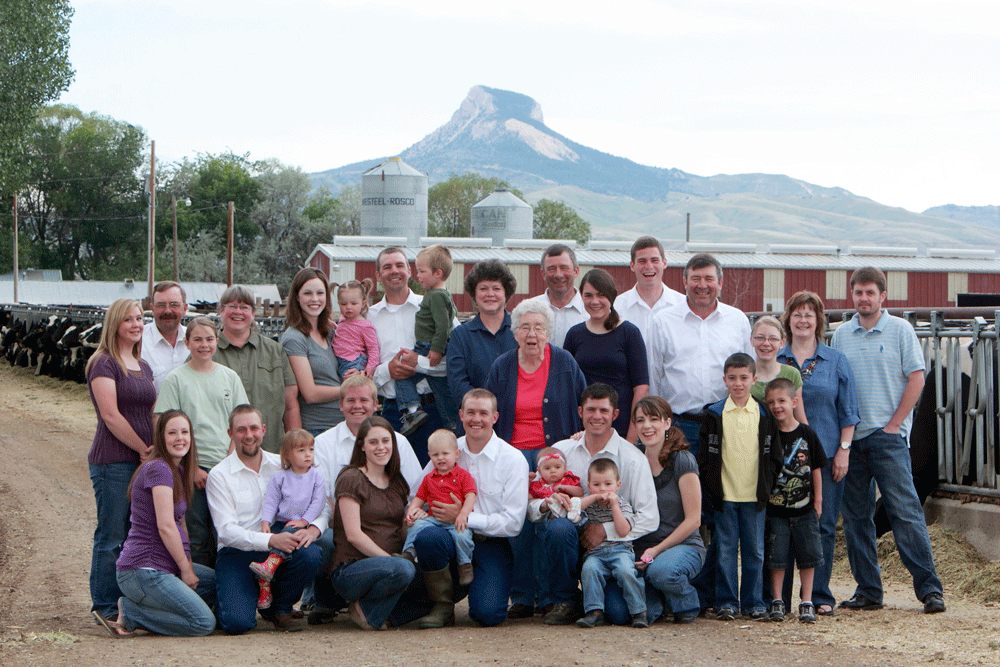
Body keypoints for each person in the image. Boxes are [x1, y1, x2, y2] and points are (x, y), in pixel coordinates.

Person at [830, 266, 945, 614]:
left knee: (905, 512)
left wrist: (896, 424)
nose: (863, 298)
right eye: (858, 292)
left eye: (870, 292)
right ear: (851, 295)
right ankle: (868, 590)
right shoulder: (841, 336)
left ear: (883, 296)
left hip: (887, 437)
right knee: (856, 518)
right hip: (851, 438)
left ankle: (929, 590)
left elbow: (916, 379)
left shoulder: (900, 330)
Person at [484, 297, 586, 620]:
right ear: (514, 333)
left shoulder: (565, 361)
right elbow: (490, 413)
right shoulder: (502, 366)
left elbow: (582, 403)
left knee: (554, 522)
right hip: (513, 457)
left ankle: (556, 596)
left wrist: (578, 438)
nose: (532, 333)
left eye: (539, 327)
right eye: (525, 327)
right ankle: (524, 596)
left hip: (553, 456)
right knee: (519, 527)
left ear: (548, 332)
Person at [392, 389, 529, 628]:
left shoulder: (512, 459)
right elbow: (418, 492)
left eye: (483, 413)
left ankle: (459, 589)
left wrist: (466, 517)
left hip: (489, 542)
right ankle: (442, 604)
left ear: (495, 417)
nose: (477, 419)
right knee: (428, 536)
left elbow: (514, 523)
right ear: (461, 415)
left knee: (488, 615)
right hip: (445, 537)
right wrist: (419, 510)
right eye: (471, 412)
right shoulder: (446, 449)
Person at [307, 373, 424, 624]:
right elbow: (319, 498)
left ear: (375, 404)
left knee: (431, 585)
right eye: (350, 400)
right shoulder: (325, 445)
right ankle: (327, 600)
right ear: (340, 405)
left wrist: (413, 517)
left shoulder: (399, 444)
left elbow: (415, 493)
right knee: (324, 540)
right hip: (340, 532)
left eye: (363, 400)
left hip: (389, 536)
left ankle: (372, 608)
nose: (357, 406)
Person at [207, 405, 326, 633]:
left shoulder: (284, 465)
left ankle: (279, 608)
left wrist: (313, 529)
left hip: (281, 548)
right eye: (241, 430)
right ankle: (239, 591)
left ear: (263, 430)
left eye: (254, 428)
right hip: (237, 553)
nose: (249, 435)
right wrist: (271, 541)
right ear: (231, 434)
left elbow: (321, 504)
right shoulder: (219, 475)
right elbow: (226, 531)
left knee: (311, 554)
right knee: (237, 624)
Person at [776, 291, 859, 616]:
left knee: (823, 525)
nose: (803, 319)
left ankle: (819, 594)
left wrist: (844, 451)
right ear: (789, 320)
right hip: (783, 459)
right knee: (781, 526)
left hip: (825, 456)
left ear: (818, 321)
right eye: (797, 313)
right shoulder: (777, 360)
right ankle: (778, 596)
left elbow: (849, 411)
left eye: (810, 314)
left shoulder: (835, 360)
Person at [100, 410, 215, 637]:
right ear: (161, 438)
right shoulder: (159, 469)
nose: (179, 438)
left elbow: (180, 524)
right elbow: (166, 526)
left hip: (165, 567)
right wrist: (186, 570)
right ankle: (132, 612)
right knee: (203, 623)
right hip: (143, 570)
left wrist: (188, 565)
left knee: (217, 582)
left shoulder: (177, 470)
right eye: (172, 433)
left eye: (184, 432)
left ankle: (162, 607)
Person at [551, 383, 658, 626]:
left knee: (618, 614)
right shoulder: (561, 451)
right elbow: (536, 499)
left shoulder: (633, 458)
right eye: (590, 410)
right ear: (580, 412)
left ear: (615, 415)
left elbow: (650, 517)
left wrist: (605, 530)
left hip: (614, 546)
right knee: (558, 529)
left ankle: (618, 603)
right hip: (571, 538)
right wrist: (550, 500)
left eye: (603, 410)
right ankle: (563, 599)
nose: (596, 416)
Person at [155, 316, 249, 568]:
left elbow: (241, 423)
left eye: (209, 339)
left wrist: (229, 462)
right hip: (190, 469)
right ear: (186, 343)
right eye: (197, 339)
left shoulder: (230, 378)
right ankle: (199, 593)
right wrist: (192, 467)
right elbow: (164, 424)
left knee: (225, 533)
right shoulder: (176, 379)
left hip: (226, 468)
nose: (204, 344)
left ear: (217, 342)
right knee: (195, 534)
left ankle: (226, 595)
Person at [86, 298, 156, 624]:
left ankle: (127, 602)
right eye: (128, 319)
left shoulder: (144, 365)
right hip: (114, 462)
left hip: (142, 463)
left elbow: (149, 412)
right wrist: (144, 448)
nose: (136, 324)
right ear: (114, 324)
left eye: (140, 318)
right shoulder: (104, 363)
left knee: (133, 534)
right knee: (111, 534)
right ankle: (104, 605)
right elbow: (111, 416)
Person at [697, 353, 782, 621]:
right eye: (732, 378)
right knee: (725, 549)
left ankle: (754, 602)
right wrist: (712, 488)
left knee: (754, 551)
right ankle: (726, 602)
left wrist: (766, 487)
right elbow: (705, 458)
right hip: (725, 495)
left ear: (754, 379)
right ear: (724, 380)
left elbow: (774, 456)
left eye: (744, 378)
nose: (738, 383)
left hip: (754, 495)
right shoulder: (714, 414)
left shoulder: (764, 414)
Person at [647, 253, 752, 451]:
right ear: (685, 282)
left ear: (720, 283)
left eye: (709, 279)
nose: (702, 285)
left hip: (727, 426)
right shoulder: (662, 322)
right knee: (680, 482)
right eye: (696, 279)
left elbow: (750, 372)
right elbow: (654, 377)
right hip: (679, 427)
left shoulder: (737, 321)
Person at [329, 416, 416, 630]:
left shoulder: (397, 481)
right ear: (362, 446)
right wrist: (393, 562)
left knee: (446, 585)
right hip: (353, 569)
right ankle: (365, 609)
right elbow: (353, 535)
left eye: (386, 441)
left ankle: (381, 611)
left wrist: (414, 523)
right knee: (404, 570)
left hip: (393, 566)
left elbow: (399, 528)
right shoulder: (352, 478)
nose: (381, 447)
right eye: (373, 442)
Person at [368, 247, 450, 465]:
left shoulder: (433, 303)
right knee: (392, 478)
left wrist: (419, 364)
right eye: (387, 267)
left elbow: (456, 360)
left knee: (435, 476)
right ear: (378, 275)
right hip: (392, 411)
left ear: (410, 271)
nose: (394, 271)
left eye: (399, 265)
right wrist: (388, 370)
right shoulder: (370, 317)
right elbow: (363, 371)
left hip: (432, 407)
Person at [630, 396, 705, 625]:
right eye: (640, 420)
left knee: (662, 572)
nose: (647, 426)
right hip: (641, 551)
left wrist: (656, 550)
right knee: (619, 612)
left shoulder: (683, 459)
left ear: (667, 423)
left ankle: (687, 604)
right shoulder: (631, 458)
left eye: (654, 419)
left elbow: (693, 520)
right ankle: (657, 602)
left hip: (682, 546)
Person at [763, 378, 827, 624]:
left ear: (794, 402)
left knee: (808, 556)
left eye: (782, 401)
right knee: (777, 557)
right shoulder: (768, 435)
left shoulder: (807, 433)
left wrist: (818, 500)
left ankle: (807, 600)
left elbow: (817, 468)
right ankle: (777, 600)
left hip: (805, 509)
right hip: (777, 510)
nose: (777, 406)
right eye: (771, 402)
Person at [564, 268, 649, 441]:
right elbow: (566, 386)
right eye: (588, 295)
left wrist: (632, 438)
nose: (594, 301)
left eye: (601, 295)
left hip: (621, 428)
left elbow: (641, 388)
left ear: (611, 296)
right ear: (581, 296)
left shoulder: (629, 333)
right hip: (584, 429)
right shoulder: (574, 334)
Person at [214, 284, 301, 454]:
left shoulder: (274, 351)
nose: (238, 312)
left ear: (253, 313)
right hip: (221, 456)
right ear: (221, 310)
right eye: (232, 306)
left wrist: (295, 448)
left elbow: (291, 406)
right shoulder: (206, 352)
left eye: (244, 307)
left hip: (271, 451)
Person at [250, 429, 326, 610]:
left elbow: (319, 502)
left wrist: (305, 521)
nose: (308, 455)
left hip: (301, 526)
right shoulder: (281, 477)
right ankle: (265, 587)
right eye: (301, 450)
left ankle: (270, 566)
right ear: (287, 455)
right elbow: (271, 501)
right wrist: (265, 522)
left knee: (292, 537)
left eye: (311, 449)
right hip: (281, 524)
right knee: (276, 539)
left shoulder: (316, 476)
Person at [393, 244, 458, 434]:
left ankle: (412, 411)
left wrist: (436, 350)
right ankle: (452, 422)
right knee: (440, 388)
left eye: (421, 271)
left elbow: (443, 325)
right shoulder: (440, 294)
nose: (417, 276)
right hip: (430, 346)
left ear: (438, 273)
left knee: (403, 373)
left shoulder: (436, 296)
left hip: (427, 346)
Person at [576, 458, 648, 629]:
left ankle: (639, 611)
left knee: (625, 571)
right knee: (589, 569)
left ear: (618, 485)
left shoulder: (622, 504)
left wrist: (614, 505)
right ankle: (594, 611)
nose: (602, 489)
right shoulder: (588, 503)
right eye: (596, 484)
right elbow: (575, 510)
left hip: (620, 550)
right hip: (595, 553)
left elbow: (623, 531)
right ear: (589, 485)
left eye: (608, 484)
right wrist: (592, 497)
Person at [402, 429, 477, 586]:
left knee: (462, 535)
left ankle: (464, 564)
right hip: (433, 520)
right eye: (435, 455)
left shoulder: (463, 475)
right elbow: (420, 497)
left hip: (456, 520)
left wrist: (464, 514)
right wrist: (411, 510)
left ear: (457, 454)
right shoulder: (429, 478)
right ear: (429, 457)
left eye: (445, 453)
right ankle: (408, 552)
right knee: (418, 524)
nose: (441, 458)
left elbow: (471, 495)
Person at [445, 259, 518, 415]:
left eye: (496, 288)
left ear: (506, 292)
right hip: (476, 420)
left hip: (517, 418)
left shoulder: (521, 331)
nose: (490, 294)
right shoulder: (460, 336)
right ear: (474, 293)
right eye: (483, 288)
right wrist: (484, 411)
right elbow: (458, 383)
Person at [282, 267, 344, 437]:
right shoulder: (294, 338)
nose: (315, 299)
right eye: (308, 293)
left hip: (345, 424)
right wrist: (352, 389)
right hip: (317, 428)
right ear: (297, 296)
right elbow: (310, 393)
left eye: (320, 293)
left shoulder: (331, 333)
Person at [613, 236, 683, 350]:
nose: (649, 266)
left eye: (654, 260)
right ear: (632, 265)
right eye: (642, 261)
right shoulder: (617, 308)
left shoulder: (682, 306)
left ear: (664, 263)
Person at [749, 315, 807, 425]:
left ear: (781, 343)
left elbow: (799, 418)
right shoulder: (743, 375)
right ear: (751, 340)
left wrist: (809, 439)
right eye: (760, 337)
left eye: (773, 339)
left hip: (784, 439)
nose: (766, 343)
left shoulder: (792, 374)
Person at [532, 243, 587, 347]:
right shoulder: (530, 310)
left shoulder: (590, 312)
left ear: (576, 271)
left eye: (564, 268)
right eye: (552, 269)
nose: (558, 275)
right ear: (543, 274)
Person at [140, 280, 188, 391]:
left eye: (174, 304)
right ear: (152, 309)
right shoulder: (138, 342)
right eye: (161, 305)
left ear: (184, 308)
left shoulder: (196, 341)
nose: (167, 311)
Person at [332, 279, 380, 379]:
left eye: (353, 304)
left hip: (353, 362)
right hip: (339, 360)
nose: (348, 307)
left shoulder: (365, 326)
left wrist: (370, 368)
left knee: (351, 390)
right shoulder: (342, 320)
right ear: (338, 304)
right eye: (344, 304)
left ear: (363, 303)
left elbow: (373, 349)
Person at [526, 447, 583, 523]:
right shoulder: (538, 485)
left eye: (557, 467)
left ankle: (574, 516)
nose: (553, 471)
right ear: (539, 471)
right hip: (551, 516)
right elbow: (528, 497)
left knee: (576, 501)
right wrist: (527, 483)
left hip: (569, 507)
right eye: (547, 468)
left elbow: (580, 492)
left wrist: (565, 488)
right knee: (552, 512)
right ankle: (558, 513)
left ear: (564, 468)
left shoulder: (568, 480)